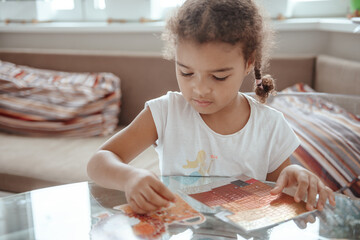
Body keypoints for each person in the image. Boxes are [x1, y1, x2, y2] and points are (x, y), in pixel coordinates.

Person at [87, 0, 336, 214]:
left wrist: (293, 175)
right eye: (186, 72)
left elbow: (275, 192)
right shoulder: (165, 113)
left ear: (249, 63)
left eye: (218, 77)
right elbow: (99, 162)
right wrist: (130, 177)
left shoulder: (269, 124)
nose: (200, 89)